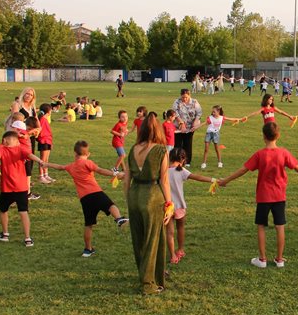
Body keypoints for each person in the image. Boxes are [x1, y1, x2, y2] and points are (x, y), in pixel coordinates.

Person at [218, 122, 298, 268]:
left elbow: (242, 170)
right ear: (278, 135)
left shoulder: (260, 154)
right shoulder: (283, 153)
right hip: (279, 196)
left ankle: (262, 259)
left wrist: (225, 181)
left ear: (263, 136)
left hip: (264, 196)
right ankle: (279, 260)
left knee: (261, 226)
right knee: (280, 226)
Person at [39, 140, 128, 257]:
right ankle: (119, 219)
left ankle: (87, 249)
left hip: (85, 199)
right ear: (88, 154)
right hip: (96, 193)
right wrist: (115, 174)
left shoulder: (71, 166)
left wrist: (46, 164)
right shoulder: (88, 163)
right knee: (111, 205)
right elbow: (100, 170)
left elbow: (60, 167)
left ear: (75, 153)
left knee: (88, 224)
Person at [125, 113, 173, 295]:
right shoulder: (161, 150)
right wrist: (169, 204)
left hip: (134, 195)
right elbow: (165, 180)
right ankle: (148, 283)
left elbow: (126, 179)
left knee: (139, 241)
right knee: (153, 241)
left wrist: (128, 199)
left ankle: (145, 274)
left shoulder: (133, 149)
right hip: (152, 196)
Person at [165, 147, 219, 266]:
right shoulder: (182, 171)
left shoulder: (163, 171)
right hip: (179, 206)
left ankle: (172, 255)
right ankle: (180, 250)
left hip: (166, 207)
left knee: (169, 232)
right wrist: (214, 180)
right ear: (183, 159)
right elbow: (198, 177)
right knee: (181, 228)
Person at [0, 130, 35, 247]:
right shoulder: (21, 149)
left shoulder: (2, 148)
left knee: (3, 210)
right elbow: (30, 155)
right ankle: (27, 238)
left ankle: (5, 234)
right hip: (22, 187)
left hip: (7, 188)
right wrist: (40, 161)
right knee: (23, 211)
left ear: (4, 140)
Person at [200, 105, 243, 170]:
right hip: (209, 134)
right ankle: (204, 163)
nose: (213, 113)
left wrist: (240, 119)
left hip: (216, 134)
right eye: (212, 112)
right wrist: (195, 127)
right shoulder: (210, 118)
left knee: (217, 149)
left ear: (218, 111)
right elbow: (204, 123)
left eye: (214, 112)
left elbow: (231, 119)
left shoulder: (221, 118)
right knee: (206, 149)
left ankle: (220, 162)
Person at [171, 88, 203, 166]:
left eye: (186, 97)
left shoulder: (194, 102)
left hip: (190, 126)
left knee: (187, 143)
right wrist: (181, 123)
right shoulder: (177, 102)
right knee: (178, 143)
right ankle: (177, 160)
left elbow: (199, 112)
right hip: (178, 126)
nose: (184, 99)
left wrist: (196, 121)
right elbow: (175, 113)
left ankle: (187, 161)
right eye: (183, 97)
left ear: (189, 95)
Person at [36, 103, 55, 184]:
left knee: (46, 160)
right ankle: (41, 176)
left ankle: (46, 174)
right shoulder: (43, 120)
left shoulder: (45, 119)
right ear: (48, 111)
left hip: (47, 141)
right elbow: (41, 131)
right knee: (42, 160)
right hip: (44, 141)